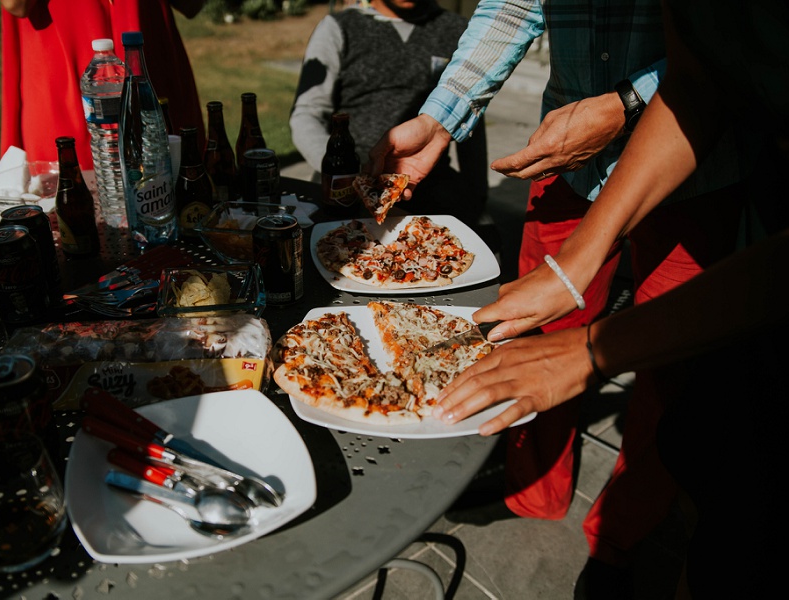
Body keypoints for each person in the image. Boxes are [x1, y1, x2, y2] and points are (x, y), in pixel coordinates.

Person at [366, 0, 760, 595]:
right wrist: (440, 119)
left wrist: (627, 103)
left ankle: (620, 539)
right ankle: (533, 491)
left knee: (666, 367)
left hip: (695, 167)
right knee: (529, 338)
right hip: (563, 159)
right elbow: (514, 4)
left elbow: (719, 57)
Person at [289, 0, 489, 225]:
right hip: (347, 177)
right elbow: (307, 114)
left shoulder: (459, 30)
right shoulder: (339, 27)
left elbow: (470, 120)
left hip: (428, 175)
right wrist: (342, 171)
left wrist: (477, 195)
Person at [0, 0, 206, 170]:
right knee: (74, 195)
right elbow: (16, 4)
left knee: (178, 188)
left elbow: (192, 5)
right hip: (71, 71)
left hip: (147, 60)